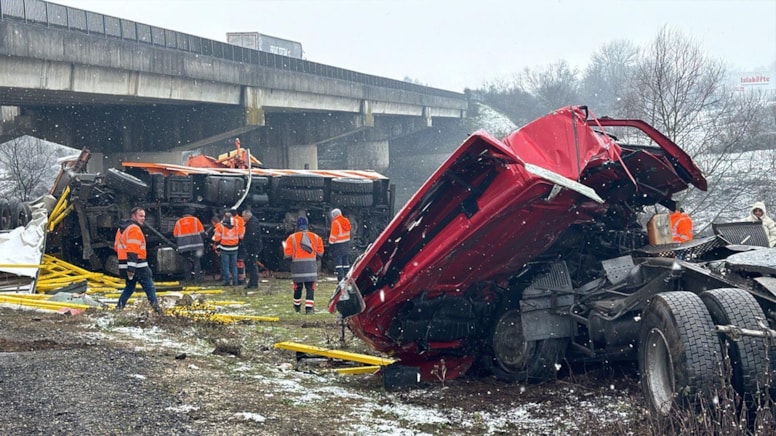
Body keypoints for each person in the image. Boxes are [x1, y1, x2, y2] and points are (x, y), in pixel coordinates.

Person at [115, 207, 162, 314]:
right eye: (140, 216)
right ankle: (158, 311)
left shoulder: (121, 230)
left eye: (144, 216)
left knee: (130, 287)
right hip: (138, 265)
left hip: (125, 264)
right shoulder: (134, 229)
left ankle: (118, 309)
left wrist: (127, 266)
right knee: (149, 288)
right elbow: (132, 250)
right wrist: (131, 268)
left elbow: (116, 247)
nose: (143, 218)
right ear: (133, 216)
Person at [283, 216, 324, 314]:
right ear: (307, 225)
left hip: (297, 268)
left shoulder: (291, 238)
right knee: (310, 287)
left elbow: (287, 255)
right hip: (311, 266)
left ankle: (297, 307)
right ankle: (309, 309)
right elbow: (320, 253)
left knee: (298, 287)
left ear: (297, 226)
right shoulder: (316, 237)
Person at [173, 209, 206, 284]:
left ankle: (188, 279)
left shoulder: (178, 222)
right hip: (196, 245)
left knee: (186, 261)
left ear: (183, 215)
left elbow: (175, 235)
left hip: (184, 246)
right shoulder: (195, 220)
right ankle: (197, 279)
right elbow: (202, 232)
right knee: (197, 261)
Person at [213, 210, 240, 286]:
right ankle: (235, 281)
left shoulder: (221, 226)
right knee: (234, 265)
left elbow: (216, 238)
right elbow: (240, 235)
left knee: (225, 266)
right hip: (234, 248)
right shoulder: (236, 226)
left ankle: (227, 281)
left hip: (224, 248)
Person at [241, 208, 263, 289]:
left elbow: (251, 236)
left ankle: (254, 283)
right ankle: (252, 282)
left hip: (252, 248)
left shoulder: (252, 224)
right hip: (252, 247)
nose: (242, 218)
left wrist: (247, 244)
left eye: (243, 216)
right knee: (251, 265)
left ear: (247, 216)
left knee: (252, 265)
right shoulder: (252, 222)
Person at [328, 208, 351, 281]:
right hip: (346, 243)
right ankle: (347, 276)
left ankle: (340, 278)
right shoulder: (346, 220)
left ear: (334, 215)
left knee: (338, 262)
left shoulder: (335, 222)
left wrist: (330, 243)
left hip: (338, 245)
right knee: (345, 261)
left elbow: (333, 235)